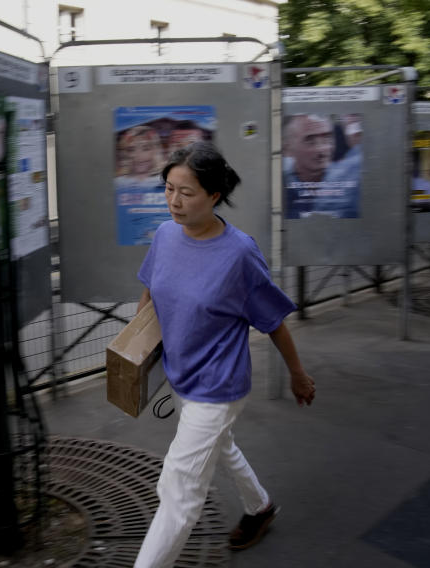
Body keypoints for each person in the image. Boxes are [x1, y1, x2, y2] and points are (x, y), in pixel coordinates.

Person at [134, 142, 316, 567]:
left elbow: (272, 320)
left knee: (178, 494)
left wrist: (297, 374)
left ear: (214, 196)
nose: (174, 202)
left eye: (187, 192)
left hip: (218, 387)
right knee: (223, 446)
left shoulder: (239, 253)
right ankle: (261, 507)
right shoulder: (164, 236)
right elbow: (149, 289)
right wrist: (136, 350)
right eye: (168, 188)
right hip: (179, 375)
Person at [283, 114, 359, 219]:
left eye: (327, 139)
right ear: (287, 148)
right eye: (310, 141)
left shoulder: (350, 183)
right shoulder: (280, 188)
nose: (322, 149)